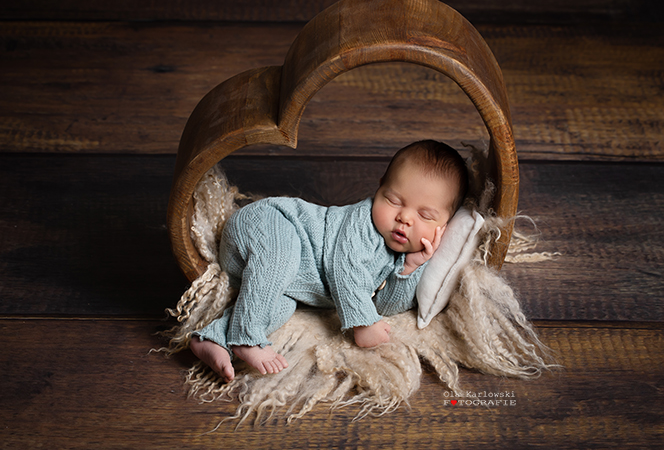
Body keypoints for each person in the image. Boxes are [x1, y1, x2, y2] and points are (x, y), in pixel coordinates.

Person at [190, 140, 469, 382]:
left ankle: (211, 337)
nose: (404, 218)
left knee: (281, 307)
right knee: (280, 261)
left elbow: (387, 306)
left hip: (272, 279)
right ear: (379, 187)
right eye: (394, 200)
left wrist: (410, 268)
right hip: (269, 225)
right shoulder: (360, 223)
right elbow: (344, 271)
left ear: (445, 225)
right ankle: (246, 337)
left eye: (425, 216)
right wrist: (362, 324)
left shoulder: (404, 256)